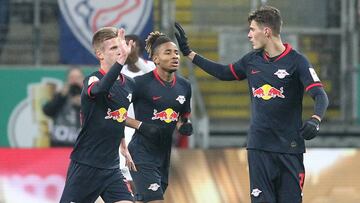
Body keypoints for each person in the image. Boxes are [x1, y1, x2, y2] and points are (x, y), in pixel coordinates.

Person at [175, 5, 329, 203]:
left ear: (266, 31)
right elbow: (224, 72)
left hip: (289, 149)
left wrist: (316, 119)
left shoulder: (297, 61)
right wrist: (189, 53)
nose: (249, 35)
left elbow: (320, 95)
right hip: (259, 147)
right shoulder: (251, 61)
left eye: (252, 29)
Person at [60, 27, 135, 203]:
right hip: (86, 165)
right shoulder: (92, 80)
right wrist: (121, 61)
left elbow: (118, 116)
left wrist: (123, 145)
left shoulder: (129, 85)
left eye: (120, 46)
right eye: (113, 48)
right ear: (100, 54)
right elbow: (101, 90)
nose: (119, 51)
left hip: (111, 168)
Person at [126, 31, 193, 203]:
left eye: (176, 52)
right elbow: (116, 114)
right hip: (141, 152)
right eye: (168, 53)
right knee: (156, 200)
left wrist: (183, 125)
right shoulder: (140, 84)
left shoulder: (185, 86)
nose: (175, 56)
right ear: (155, 59)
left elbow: (182, 116)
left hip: (164, 153)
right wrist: (141, 125)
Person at [119, 34, 156, 191]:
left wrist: (135, 60)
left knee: (148, 175)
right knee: (126, 170)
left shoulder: (152, 67)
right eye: (123, 46)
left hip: (148, 126)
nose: (127, 50)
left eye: (131, 46)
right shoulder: (119, 71)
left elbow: (155, 77)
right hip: (126, 126)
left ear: (139, 48)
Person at [42, 67, 84, 147]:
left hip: (80, 146)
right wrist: (61, 96)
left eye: (78, 77)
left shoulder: (88, 97)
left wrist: (84, 104)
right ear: (67, 80)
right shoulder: (61, 95)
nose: (75, 80)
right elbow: (47, 111)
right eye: (72, 77)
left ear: (83, 80)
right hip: (59, 144)